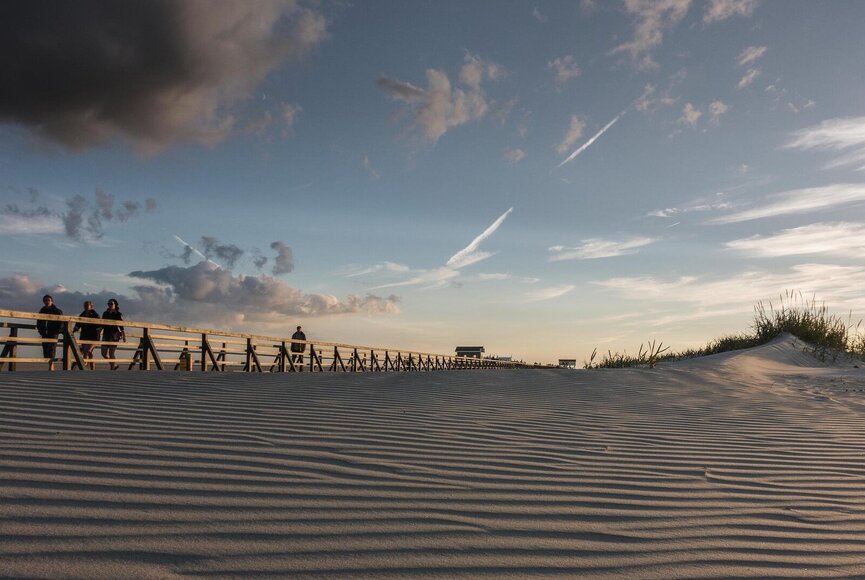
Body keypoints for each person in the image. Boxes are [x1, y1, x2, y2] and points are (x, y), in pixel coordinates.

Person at [36, 294, 63, 371]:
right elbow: (38, 322)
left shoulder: (57, 311)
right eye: (45, 300)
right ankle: (51, 364)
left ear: (52, 301)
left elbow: (61, 322)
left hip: (53, 332)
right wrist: (41, 331)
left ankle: (51, 365)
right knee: (45, 349)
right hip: (44, 332)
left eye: (48, 300)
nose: (47, 302)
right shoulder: (42, 310)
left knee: (52, 348)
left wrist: (57, 330)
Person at [73, 301, 100, 370]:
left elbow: (99, 327)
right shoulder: (82, 314)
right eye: (84, 305)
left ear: (91, 306)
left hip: (93, 337)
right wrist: (73, 331)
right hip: (84, 336)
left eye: (87, 305)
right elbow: (78, 324)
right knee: (88, 353)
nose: (85, 306)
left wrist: (98, 336)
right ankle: (91, 368)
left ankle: (84, 365)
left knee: (87, 351)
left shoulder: (95, 315)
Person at [101, 298, 125, 370]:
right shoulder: (105, 313)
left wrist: (124, 336)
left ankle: (112, 369)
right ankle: (114, 364)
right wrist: (99, 331)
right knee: (104, 353)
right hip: (106, 334)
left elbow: (121, 326)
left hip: (114, 335)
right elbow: (102, 324)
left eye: (111, 303)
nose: (110, 305)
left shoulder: (118, 314)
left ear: (115, 305)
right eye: (108, 303)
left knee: (111, 353)